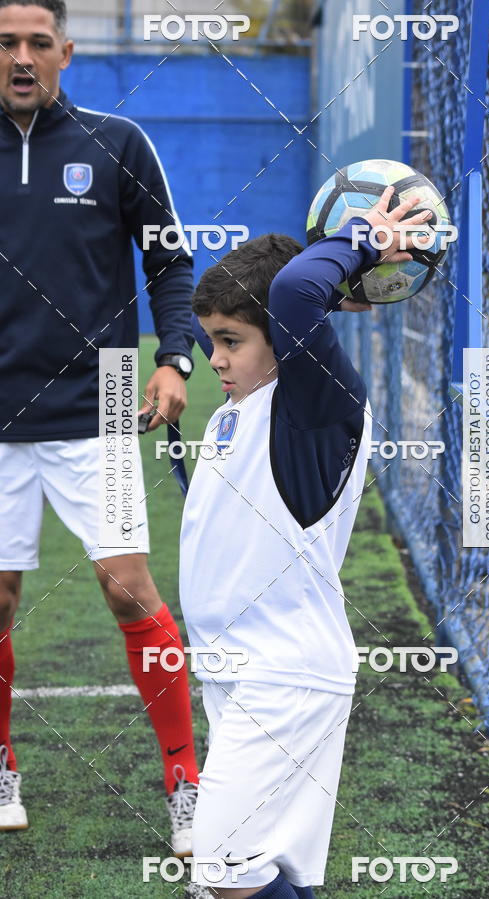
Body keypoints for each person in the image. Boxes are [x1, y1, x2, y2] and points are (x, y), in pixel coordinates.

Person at [179, 187, 432, 897]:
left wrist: (362, 242)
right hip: (242, 668)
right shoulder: (243, 407)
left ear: (285, 340)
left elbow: (293, 291)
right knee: (270, 869)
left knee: (224, 870)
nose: (219, 359)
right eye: (211, 342)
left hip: (284, 673)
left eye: (233, 341)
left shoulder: (318, 403)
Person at [0, 0, 200, 853]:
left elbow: (171, 262)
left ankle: (187, 779)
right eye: (5, 43)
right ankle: (2, 762)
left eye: (37, 43)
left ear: (66, 53)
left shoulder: (118, 144)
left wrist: (175, 358)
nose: (21, 57)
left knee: (129, 589)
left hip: (108, 396)